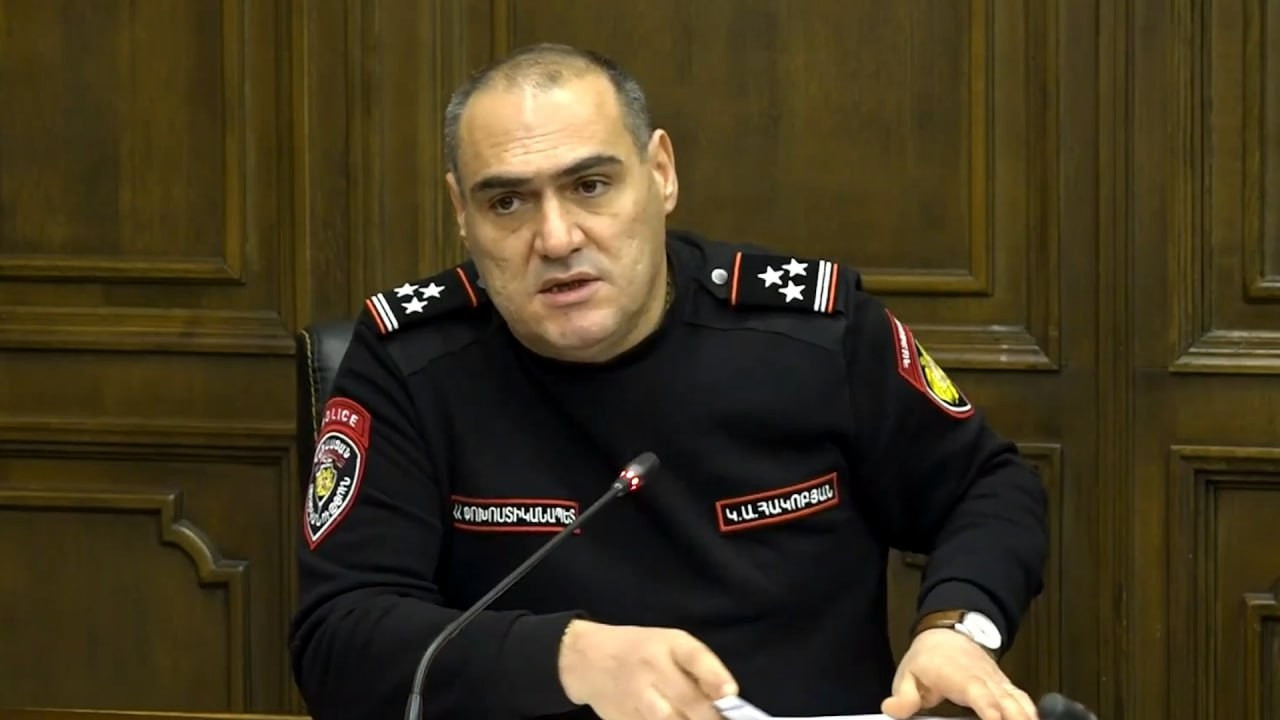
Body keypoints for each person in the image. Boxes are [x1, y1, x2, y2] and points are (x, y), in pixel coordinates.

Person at [288, 42, 1049, 720]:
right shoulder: (411, 361)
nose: (556, 238)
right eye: (507, 202)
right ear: (462, 212)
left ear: (661, 174)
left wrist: (957, 628)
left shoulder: (812, 333)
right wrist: (566, 657)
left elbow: (987, 487)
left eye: (590, 185)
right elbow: (339, 640)